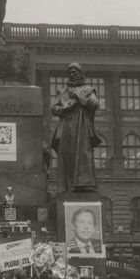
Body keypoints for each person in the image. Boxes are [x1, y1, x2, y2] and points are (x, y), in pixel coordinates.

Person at [50, 62, 101, 193]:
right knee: (66, 155)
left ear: (80, 73)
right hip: (66, 126)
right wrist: (65, 108)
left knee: (82, 154)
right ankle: (67, 186)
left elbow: (95, 104)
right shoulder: (63, 91)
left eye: (75, 72)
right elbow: (54, 108)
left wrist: (79, 98)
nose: (72, 74)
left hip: (81, 126)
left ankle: (83, 184)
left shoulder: (88, 89)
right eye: (70, 72)